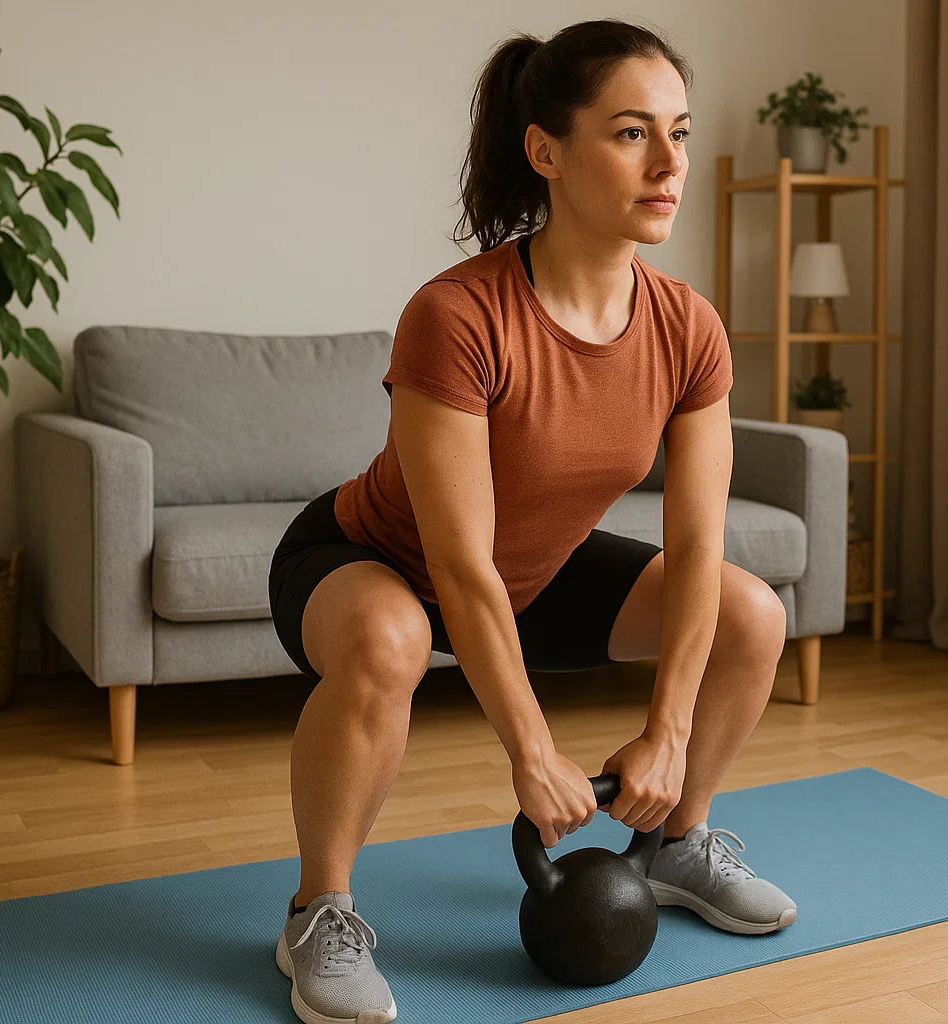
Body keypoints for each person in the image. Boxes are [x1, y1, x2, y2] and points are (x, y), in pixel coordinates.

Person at [265, 18, 796, 1024]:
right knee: (393, 636)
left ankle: (680, 841)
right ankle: (317, 910)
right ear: (545, 151)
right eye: (632, 133)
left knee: (750, 613)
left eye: (680, 134)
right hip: (371, 557)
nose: (669, 163)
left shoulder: (689, 327)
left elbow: (693, 546)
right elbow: (458, 562)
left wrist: (668, 735)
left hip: (533, 572)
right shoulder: (460, 315)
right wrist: (534, 750)